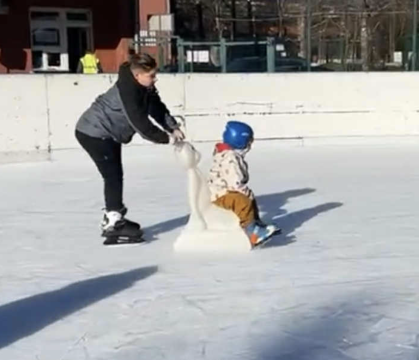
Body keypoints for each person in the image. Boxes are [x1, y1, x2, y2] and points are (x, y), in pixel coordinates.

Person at [75, 53, 185, 244]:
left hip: (108, 133)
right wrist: (167, 139)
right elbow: (141, 125)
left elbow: (156, 107)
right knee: (112, 176)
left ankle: (113, 217)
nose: (155, 79)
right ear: (137, 75)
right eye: (151, 76)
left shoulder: (144, 87)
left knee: (115, 175)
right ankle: (113, 223)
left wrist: (172, 126)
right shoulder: (129, 92)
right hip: (93, 132)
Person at [208, 121, 281, 249]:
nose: (250, 145)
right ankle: (253, 233)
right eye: (249, 142)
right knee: (243, 201)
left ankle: (256, 223)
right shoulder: (230, 158)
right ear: (240, 141)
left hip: (225, 190)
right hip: (221, 194)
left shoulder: (229, 154)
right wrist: (244, 192)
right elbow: (234, 182)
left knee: (249, 197)